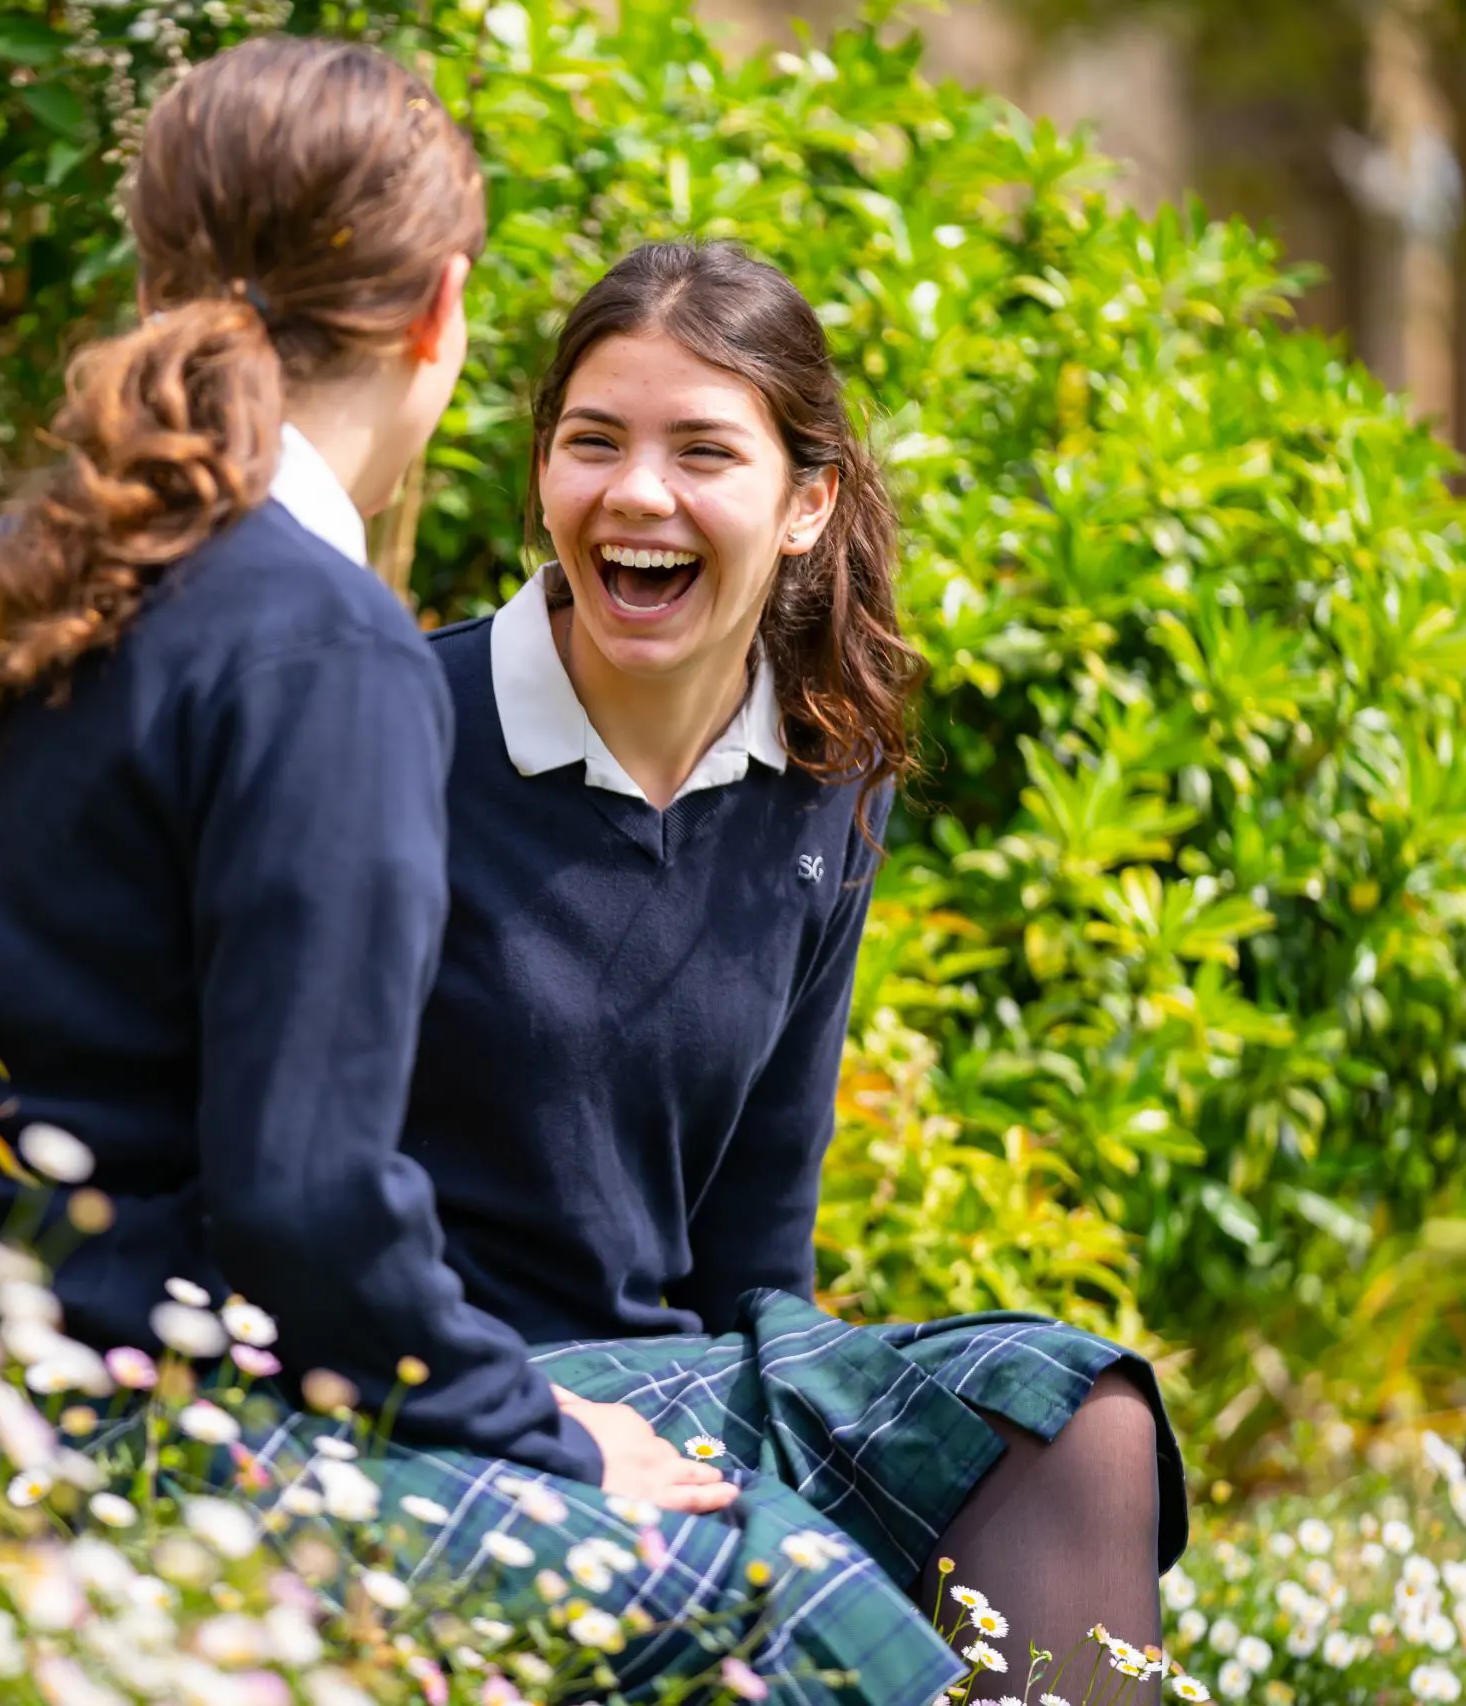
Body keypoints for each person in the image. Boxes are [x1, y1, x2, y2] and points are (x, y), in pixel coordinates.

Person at [0, 36, 729, 1516]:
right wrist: (548, 1428)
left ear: (150, 279)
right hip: (145, 1433)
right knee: (811, 1616)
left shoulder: (3, 571)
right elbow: (305, 1199)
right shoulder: (332, 649)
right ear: (439, 311)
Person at [400, 241, 1191, 1702]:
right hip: (438, 1385)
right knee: (803, 1589)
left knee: (1079, 1414)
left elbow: (760, 1235)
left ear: (807, 501)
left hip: (680, 1374)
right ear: (545, 474)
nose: (638, 493)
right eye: (594, 442)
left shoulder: (828, 784)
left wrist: (786, 1447)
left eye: (704, 450)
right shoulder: (396, 729)